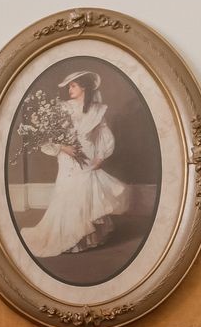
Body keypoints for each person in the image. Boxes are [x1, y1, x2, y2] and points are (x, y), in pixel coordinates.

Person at [19, 71, 133, 257]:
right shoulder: (63, 108)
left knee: (86, 193)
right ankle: (67, 238)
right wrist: (64, 148)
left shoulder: (96, 109)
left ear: (84, 87)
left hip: (88, 156)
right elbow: (47, 135)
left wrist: (101, 157)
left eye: (73, 85)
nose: (69, 89)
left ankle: (85, 240)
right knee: (68, 193)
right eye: (69, 86)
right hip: (68, 158)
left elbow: (104, 134)